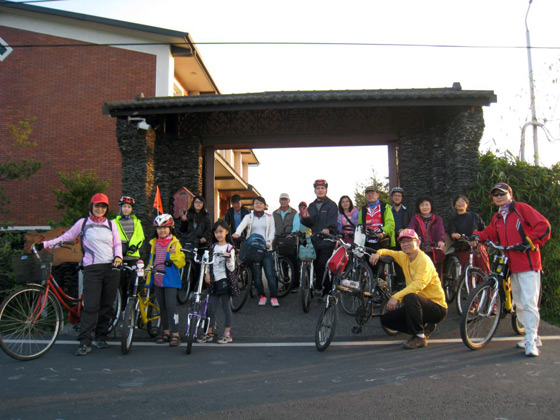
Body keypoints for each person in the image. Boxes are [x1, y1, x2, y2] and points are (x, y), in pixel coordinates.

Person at [470, 182, 551, 357]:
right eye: (495, 194)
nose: (499, 196)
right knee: (519, 304)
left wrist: (528, 241)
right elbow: (489, 232)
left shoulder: (521, 209)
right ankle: (532, 336)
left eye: (502, 193)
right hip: (511, 265)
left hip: (528, 263)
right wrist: (477, 235)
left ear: (510, 195)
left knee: (529, 302)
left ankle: (531, 340)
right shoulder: (498, 217)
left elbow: (544, 226)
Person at [39, 193, 123, 356]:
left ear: (107, 209)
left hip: (111, 268)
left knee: (106, 306)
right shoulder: (83, 223)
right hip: (92, 268)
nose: (100, 209)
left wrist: (118, 256)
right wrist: (45, 244)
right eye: (97, 206)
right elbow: (66, 237)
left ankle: (101, 337)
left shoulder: (112, 225)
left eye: (103, 206)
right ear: (91, 207)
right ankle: (85, 341)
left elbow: (117, 243)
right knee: (90, 306)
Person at [369, 229, 448, 349]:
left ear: (417, 242)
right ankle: (423, 328)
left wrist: (396, 297)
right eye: (403, 242)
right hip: (418, 305)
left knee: (410, 297)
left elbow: (418, 285)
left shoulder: (424, 261)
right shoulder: (404, 256)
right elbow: (389, 252)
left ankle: (420, 337)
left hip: (436, 307)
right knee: (386, 320)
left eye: (409, 241)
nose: (406, 244)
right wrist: (378, 253)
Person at [146, 214, 186, 347]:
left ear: (170, 228)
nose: (161, 230)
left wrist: (174, 254)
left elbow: (181, 263)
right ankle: (166, 332)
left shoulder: (175, 243)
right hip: (157, 279)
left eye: (164, 227)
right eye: (159, 228)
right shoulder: (154, 243)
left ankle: (175, 333)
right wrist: (147, 274)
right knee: (162, 307)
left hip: (170, 280)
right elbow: (151, 261)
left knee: (171, 306)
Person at [233, 196, 279, 307]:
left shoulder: (269, 217)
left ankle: (274, 297)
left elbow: (272, 231)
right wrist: (237, 233)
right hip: (253, 249)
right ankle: (262, 296)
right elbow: (241, 226)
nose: (258, 205)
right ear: (253, 205)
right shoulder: (249, 216)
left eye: (261, 203)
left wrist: (269, 242)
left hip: (266, 249)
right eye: (256, 203)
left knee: (270, 274)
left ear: (264, 205)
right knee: (257, 276)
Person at [198, 220, 236, 344]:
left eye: (221, 231)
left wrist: (229, 258)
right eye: (216, 232)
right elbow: (209, 263)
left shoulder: (230, 248)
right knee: (211, 307)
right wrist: (207, 274)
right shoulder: (213, 247)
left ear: (226, 232)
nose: (218, 234)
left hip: (225, 280)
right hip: (214, 280)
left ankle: (227, 333)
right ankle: (209, 332)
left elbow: (232, 268)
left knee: (226, 307)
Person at [299, 179, 338, 298]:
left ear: (326, 189)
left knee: (322, 263)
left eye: (322, 188)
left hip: (327, 239)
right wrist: (305, 218)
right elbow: (309, 223)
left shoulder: (331, 205)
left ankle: (323, 288)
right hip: (315, 239)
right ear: (314, 190)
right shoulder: (311, 205)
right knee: (316, 264)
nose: (320, 190)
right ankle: (322, 287)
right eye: (318, 188)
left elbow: (333, 221)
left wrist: (329, 229)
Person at [113, 195, 145, 306]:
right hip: (119, 257)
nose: (126, 209)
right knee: (121, 283)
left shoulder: (136, 222)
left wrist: (133, 246)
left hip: (133, 257)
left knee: (133, 283)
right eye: (124, 206)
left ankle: (132, 307)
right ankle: (121, 308)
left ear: (132, 209)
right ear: (120, 208)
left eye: (129, 207)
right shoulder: (114, 222)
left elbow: (140, 236)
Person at [446, 194, 490, 273]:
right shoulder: (453, 220)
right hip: (464, 248)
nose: (460, 203)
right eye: (458, 202)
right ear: (454, 205)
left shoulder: (475, 216)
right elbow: (451, 231)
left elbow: (484, 230)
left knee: (484, 269)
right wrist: (454, 234)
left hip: (477, 247)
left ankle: (486, 284)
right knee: (467, 270)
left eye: (463, 201)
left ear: (467, 204)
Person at [408, 196, 446, 278]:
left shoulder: (437, 219)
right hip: (420, 250)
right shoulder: (415, 219)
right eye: (422, 205)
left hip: (434, 250)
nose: (425, 207)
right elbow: (411, 230)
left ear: (431, 206)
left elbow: (441, 231)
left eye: (427, 205)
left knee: (436, 275)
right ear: (419, 207)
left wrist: (441, 240)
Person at [272, 193, 300, 291]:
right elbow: (272, 226)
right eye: (282, 199)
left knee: (293, 263)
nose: (283, 201)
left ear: (289, 201)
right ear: (279, 201)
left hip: (290, 240)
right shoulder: (275, 213)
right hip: (278, 239)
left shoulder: (294, 212)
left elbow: (296, 225)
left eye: (285, 199)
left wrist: (292, 234)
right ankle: (286, 282)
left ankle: (295, 284)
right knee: (282, 263)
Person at [358, 185, 395, 250]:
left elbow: (390, 224)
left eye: (373, 193)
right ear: (365, 196)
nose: (370, 195)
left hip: (382, 241)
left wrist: (383, 232)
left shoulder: (385, 207)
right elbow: (360, 226)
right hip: (367, 243)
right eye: (368, 194)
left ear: (378, 195)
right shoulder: (363, 210)